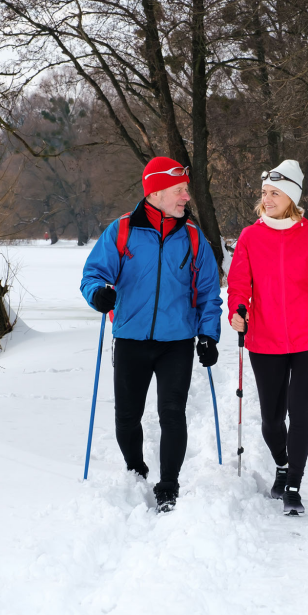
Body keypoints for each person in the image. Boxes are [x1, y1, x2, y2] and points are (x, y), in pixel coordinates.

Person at [81, 157, 223, 511]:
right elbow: (93, 274)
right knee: (127, 416)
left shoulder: (192, 237)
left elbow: (208, 292)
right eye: (180, 190)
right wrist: (99, 294)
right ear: (156, 192)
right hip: (131, 338)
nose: (186, 197)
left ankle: (169, 485)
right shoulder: (123, 231)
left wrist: (208, 334)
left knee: (172, 413)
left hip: (176, 342)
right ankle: (135, 469)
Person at [226, 159, 308, 515]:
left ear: (291, 197)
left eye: (275, 193)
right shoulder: (250, 237)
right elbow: (239, 285)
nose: (267, 199)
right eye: (265, 193)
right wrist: (238, 310)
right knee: (271, 419)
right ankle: (281, 463)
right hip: (265, 340)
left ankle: (294, 483)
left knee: (300, 411)